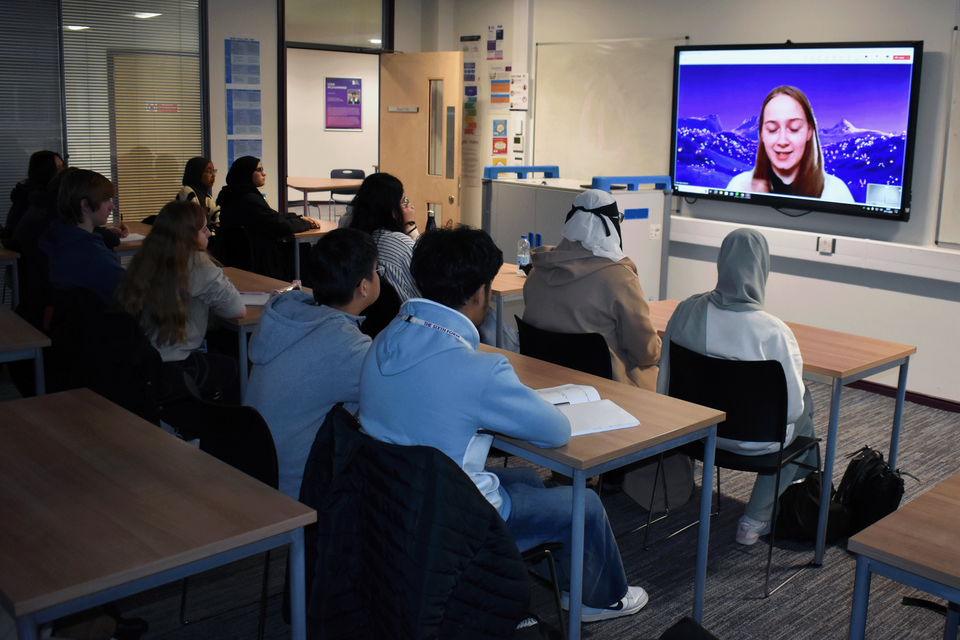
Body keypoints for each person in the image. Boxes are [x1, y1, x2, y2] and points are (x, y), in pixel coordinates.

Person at [359, 225, 649, 622]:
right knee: (586, 504)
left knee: (528, 481)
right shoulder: (478, 369)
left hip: (392, 502)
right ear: (480, 292)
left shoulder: (385, 338)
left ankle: (523, 573)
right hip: (455, 519)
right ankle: (598, 599)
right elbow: (556, 431)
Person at [657, 227, 817, 545]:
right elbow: (792, 410)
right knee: (806, 416)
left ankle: (784, 497)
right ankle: (757, 517)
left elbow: (666, 375)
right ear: (763, 269)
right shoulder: (774, 332)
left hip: (694, 432)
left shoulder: (687, 309)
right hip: (753, 442)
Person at [246, 228, 379, 499]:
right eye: (377, 271)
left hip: (254, 471)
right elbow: (401, 390)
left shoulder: (287, 315)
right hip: (297, 488)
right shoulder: (346, 346)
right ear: (364, 287)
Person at [522, 189, 661, 390]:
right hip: (602, 389)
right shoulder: (619, 278)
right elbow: (646, 353)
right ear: (611, 225)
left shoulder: (538, 271)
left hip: (542, 380)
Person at [113, 200, 246, 401]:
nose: (210, 234)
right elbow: (238, 311)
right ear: (188, 236)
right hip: (173, 366)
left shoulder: (149, 255)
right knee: (246, 369)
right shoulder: (197, 263)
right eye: (203, 230)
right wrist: (212, 305)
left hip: (141, 363)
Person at [726, 86, 855, 202]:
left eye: (794, 128)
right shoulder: (739, 186)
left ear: (810, 131)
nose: (782, 141)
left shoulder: (837, 192)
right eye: (772, 129)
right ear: (761, 134)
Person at [216, 155, 320, 281]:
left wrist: (296, 217)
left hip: (245, 256)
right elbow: (282, 226)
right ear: (247, 173)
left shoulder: (233, 194)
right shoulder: (248, 199)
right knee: (301, 249)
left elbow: (269, 216)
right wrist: (305, 224)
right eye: (259, 170)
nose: (264, 173)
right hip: (259, 259)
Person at [38, 168, 128, 304]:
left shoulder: (59, 238)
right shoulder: (94, 256)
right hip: (101, 321)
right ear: (85, 205)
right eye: (106, 200)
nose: (112, 206)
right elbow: (131, 293)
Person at [347, 172, 420, 302]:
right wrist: (410, 226)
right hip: (406, 316)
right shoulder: (399, 242)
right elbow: (427, 281)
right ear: (391, 209)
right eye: (403, 202)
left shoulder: (352, 237)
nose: (409, 207)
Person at [176, 156, 220, 226]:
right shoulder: (187, 193)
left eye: (213, 171)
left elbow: (216, 215)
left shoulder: (207, 197)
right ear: (197, 173)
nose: (213, 175)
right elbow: (193, 224)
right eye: (209, 171)